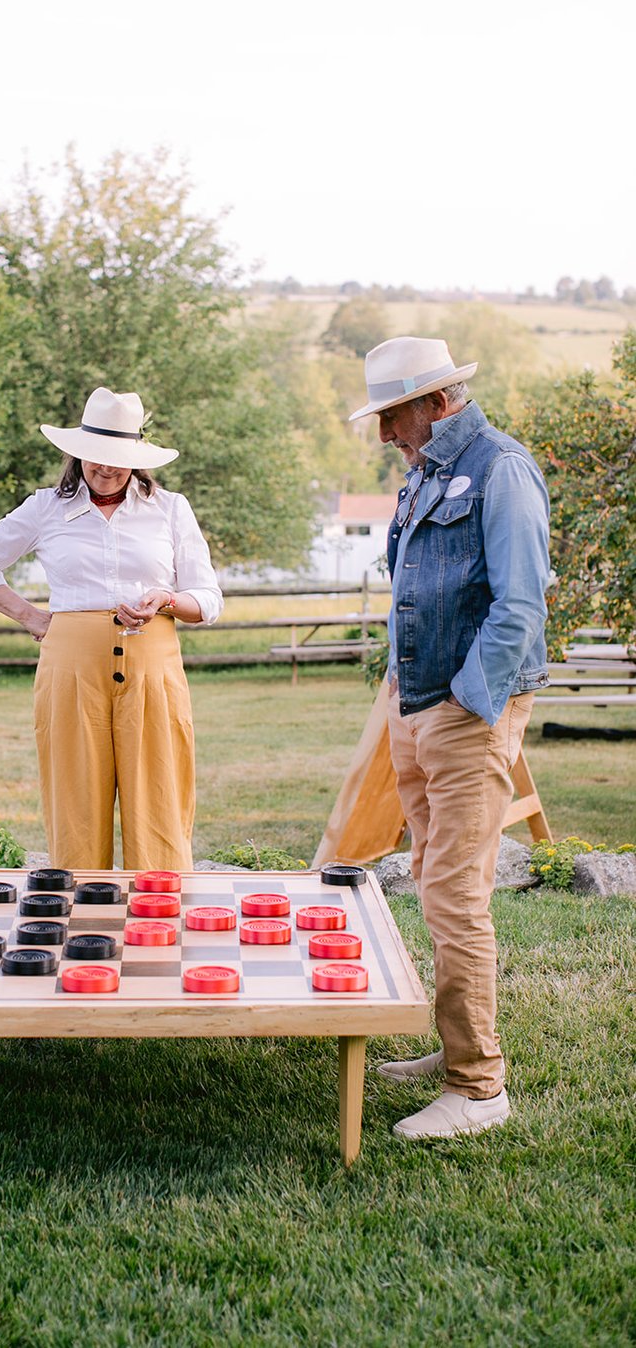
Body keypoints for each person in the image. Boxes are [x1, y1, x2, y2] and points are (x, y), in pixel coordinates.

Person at [349, 337, 550, 1140]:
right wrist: (402, 692)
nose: (383, 432)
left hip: (466, 713)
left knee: (458, 897)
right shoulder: (426, 469)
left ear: (438, 401)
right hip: (416, 705)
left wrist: (467, 704)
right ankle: (453, 1043)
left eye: (392, 414)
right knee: (433, 876)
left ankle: (477, 1086)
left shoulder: (501, 467)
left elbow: (521, 605)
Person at [0, 386, 222, 871]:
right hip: (70, 670)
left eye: (117, 458)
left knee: (158, 795)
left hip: (153, 670)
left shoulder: (171, 508)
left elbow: (208, 599)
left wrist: (164, 599)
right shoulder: (45, 508)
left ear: (138, 458)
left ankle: (159, 916)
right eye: (94, 457)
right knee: (75, 801)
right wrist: (30, 616)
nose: (105, 468)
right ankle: (81, 922)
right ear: (76, 454)